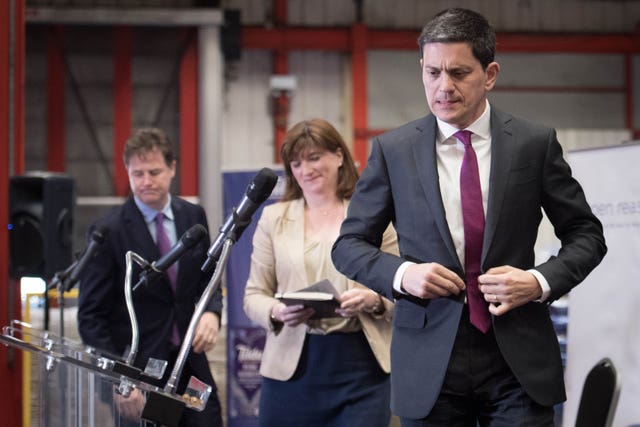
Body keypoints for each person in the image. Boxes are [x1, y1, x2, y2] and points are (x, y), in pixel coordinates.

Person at [331, 8, 607, 427]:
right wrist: (403, 274)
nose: (444, 87)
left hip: (518, 360)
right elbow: (348, 245)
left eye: (458, 73)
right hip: (429, 361)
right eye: (432, 72)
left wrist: (538, 281)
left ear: (490, 74)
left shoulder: (534, 144)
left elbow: (586, 234)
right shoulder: (394, 150)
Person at [243, 118, 398, 427]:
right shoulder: (273, 218)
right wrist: (276, 311)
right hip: (292, 367)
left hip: (362, 366)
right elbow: (252, 295)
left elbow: (398, 287)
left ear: (339, 156)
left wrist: (372, 300)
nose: (306, 170)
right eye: (296, 163)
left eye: (314, 158)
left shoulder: (372, 215)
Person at [77, 127, 223, 427]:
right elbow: (90, 318)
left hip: (190, 364)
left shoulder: (193, 217)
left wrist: (211, 311)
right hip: (138, 375)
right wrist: (119, 379)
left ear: (172, 168)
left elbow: (208, 280)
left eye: (154, 172)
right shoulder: (109, 230)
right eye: (137, 173)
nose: (146, 182)